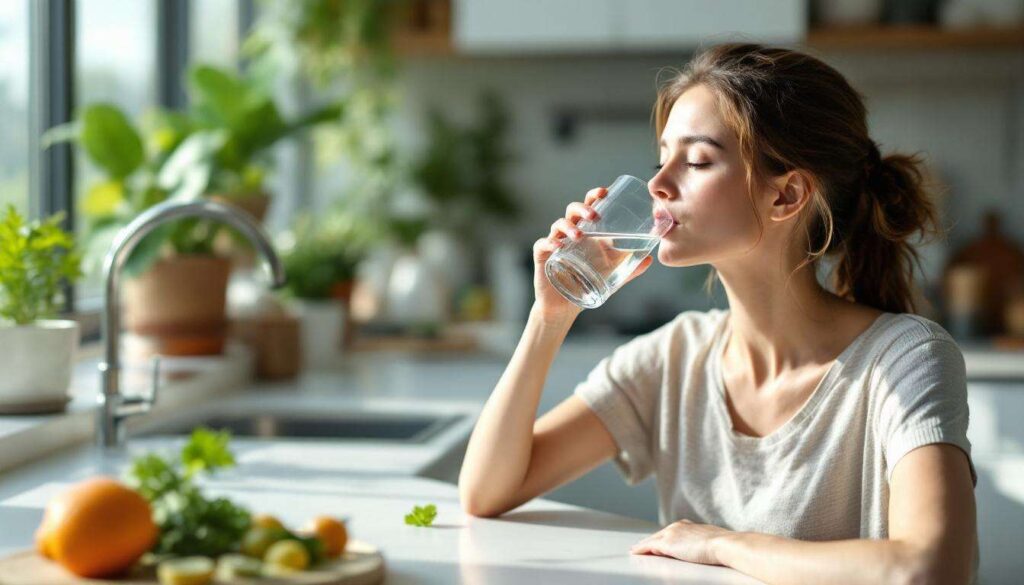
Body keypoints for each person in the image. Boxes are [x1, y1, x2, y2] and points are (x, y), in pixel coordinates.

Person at [458, 43, 976, 584]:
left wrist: (724, 546)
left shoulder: (906, 360)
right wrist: (551, 314)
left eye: (698, 160)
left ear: (787, 195)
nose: (658, 185)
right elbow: (487, 490)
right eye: (662, 160)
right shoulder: (673, 359)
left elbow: (932, 567)